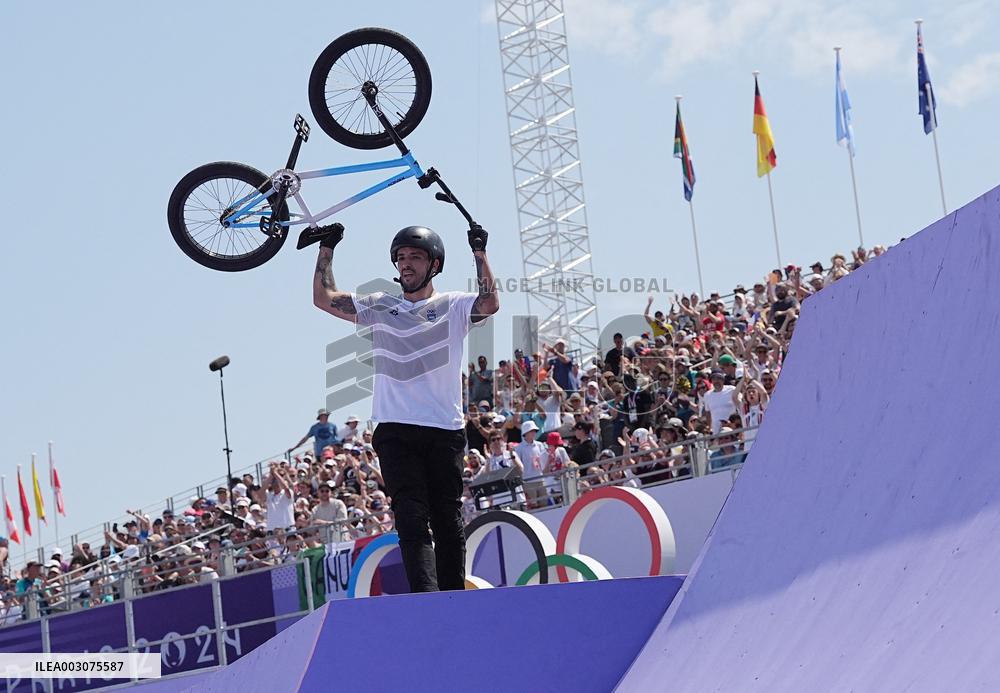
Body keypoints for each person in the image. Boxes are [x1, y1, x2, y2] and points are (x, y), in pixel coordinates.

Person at [310, 222, 498, 593]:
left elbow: (489, 303)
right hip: (395, 428)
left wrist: (480, 253)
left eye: (415, 257)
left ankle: (453, 598)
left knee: (447, 519)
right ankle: (426, 599)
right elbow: (323, 297)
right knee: (411, 516)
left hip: (444, 428)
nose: (406, 263)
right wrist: (326, 248)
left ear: (435, 264)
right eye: (400, 257)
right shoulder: (380, 304)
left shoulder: (454, 305)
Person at [515, 421, 548, 508]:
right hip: (528, 481)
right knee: (533, 506)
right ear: (525, 433)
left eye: (534, 431)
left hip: (541, 479)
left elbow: (544, 461)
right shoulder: (519, 448)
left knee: (544, 504)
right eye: (531, 431)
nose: (534, 433)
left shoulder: (540, 445)